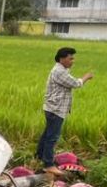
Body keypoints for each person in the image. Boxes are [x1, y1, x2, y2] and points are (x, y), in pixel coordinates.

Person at [37, 47, 94, 175]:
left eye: (73, 58)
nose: (73, 61)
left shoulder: (61, 69)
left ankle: (40, 155)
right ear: (62, 59)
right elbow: (75, 84)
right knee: (52, 137)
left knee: (47, 134)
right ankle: (48, 164)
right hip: (56, 109)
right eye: (70, 58)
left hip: (53, 108)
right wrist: (86, 77)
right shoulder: (59, 72)